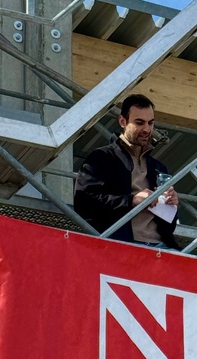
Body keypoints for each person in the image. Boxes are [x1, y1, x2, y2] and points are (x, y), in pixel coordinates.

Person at [74, 93, 179, 248]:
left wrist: (172, 205)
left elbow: (169, 224)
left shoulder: (158, 167)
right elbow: (84, 202)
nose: (146, 129)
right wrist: (132, 201)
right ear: (122, 121)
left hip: (161, 247)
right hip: (121, 246)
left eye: (150, 123)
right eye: (139, 122)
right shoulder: (102, 157)